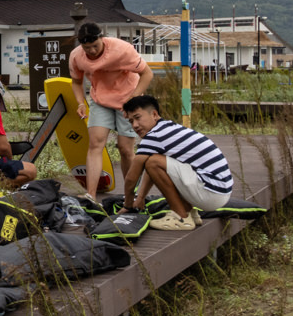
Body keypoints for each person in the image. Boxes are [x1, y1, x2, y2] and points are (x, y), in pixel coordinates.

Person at [122, 94, 234, 231]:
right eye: (131, 121)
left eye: (138, 118)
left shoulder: (155, 136)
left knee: (154, 162)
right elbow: (152, 170)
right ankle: (189, 212)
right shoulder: (167, 128)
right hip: (218, 191)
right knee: (155, 161)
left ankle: (180, 217)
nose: (135, 125)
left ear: (154, 114)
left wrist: (128, 205)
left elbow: (131, 177)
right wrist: (140, 198)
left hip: (211, 192)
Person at [67, 22, 152, 202]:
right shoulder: (76, 56)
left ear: (102, 38)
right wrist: (80, 102)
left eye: (95, 46)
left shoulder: (121, 49)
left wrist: (135, 98)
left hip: (128, 99)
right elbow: (76, 81)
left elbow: (147, 74)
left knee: (125, 148)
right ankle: (91, 194)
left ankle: (131, 194)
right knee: (95, 144)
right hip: (100, 101)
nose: (91, 51)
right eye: (86, 47)